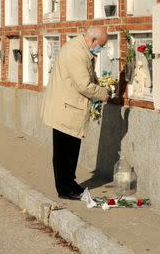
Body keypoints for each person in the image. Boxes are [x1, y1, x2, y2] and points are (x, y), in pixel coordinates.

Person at [41, 26, 110, 200]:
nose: (100, 49)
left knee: (70, 150)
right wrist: (104, 94)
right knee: (64, 151)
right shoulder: (76, 52)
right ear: (93, 40)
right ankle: (65, 188)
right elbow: (83, 85)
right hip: (66, 109)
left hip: (68, 107)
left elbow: (87, 77)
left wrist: (99, 85)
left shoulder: (81, 49)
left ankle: (70, 183)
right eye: (101, 45)